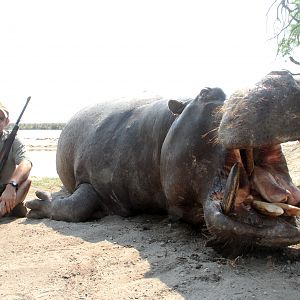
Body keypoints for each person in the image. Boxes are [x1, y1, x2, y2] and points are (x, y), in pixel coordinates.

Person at [0, 102, 32, 217]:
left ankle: (3, 209)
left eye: (0, 118)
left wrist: (11, 185)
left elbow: (26, 163)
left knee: (26, 182)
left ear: (7, 122)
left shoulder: (13, 140)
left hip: (5, 191)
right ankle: (10, 208)